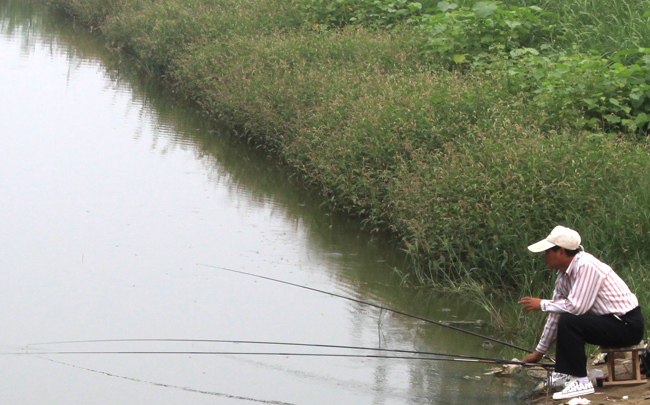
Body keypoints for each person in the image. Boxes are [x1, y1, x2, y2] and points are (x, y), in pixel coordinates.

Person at [518, 225, 644, 400]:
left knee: (570, 320)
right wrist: (538, 352)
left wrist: (543, 304)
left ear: (561, 252)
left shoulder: (587, 266)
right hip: (609, 322)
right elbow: (555, 316)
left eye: (547, 251)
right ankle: (565, 372)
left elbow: (577, 308)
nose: (544, 256)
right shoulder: (563, 276)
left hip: (627, 326)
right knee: (564, 318)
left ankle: (581, 381)